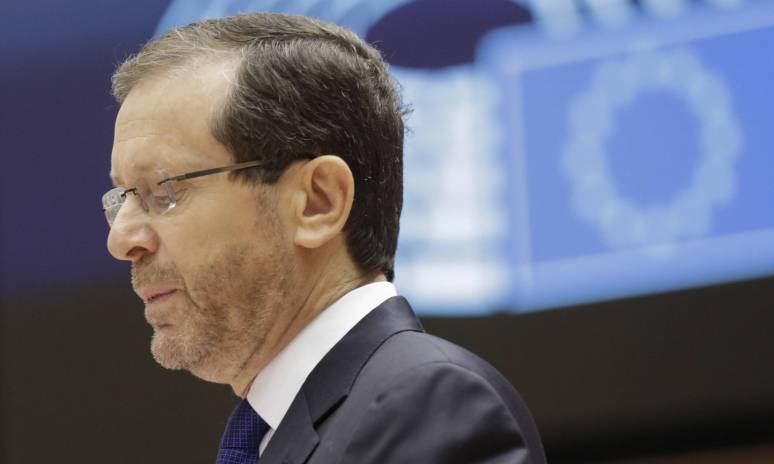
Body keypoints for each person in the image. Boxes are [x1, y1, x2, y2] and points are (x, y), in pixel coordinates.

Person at [103, 12, 546, 464]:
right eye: (122, 198)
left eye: (164, 191)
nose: (120, 240)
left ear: (318, 202)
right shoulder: (281, 432)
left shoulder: (426, 403)